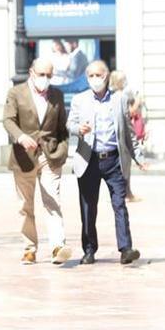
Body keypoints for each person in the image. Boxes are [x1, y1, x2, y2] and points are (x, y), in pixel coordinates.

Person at [67, 60, 142, 265]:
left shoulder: (119, 99)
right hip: (88, 159)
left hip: (113, 160)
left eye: (98, 75)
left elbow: (127, 131)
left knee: (119, 204)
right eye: (91, 75)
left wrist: (138, 156)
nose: (95, 79)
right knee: (88, 207)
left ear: (107, 75)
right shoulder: (79, 100)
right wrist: (78, 129)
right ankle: (89, 250)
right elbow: (70, 123)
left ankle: (126, 248)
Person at [2, 57, 72, 265]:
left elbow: (62, 128)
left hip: (50, 155)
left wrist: (62, 151)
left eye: (50, 75)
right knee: (26, 205)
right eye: (42, 75)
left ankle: (57, 246)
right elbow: (8, 120)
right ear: (32, 72)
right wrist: (20, 136)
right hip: (23, 157)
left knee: (52, 201)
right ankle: (29, 248)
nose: (46, 79)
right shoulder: (16, 93)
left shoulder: (57, 95)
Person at [108, 70, 147, 202]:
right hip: (123, 133)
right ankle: (126, 193)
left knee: (125, 165)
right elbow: (130, 112)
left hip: (124, 131)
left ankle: (127, 192)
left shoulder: (116, 94)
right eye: (123, 79)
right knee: (124, 165)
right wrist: (138, 101)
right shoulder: (120, 96)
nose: (125, 82)